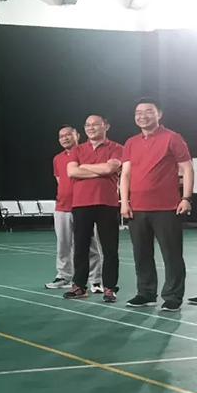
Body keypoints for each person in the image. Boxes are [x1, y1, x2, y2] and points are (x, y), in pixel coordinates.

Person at [120, 98, 193, 311]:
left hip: (167, 207)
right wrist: (124, 202)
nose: (142, 116)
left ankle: (173, 296)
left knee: (171, 254)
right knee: (141, 254)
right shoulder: (131, 142)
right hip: (137, 208)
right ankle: (146, 293)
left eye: (148, 111)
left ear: (158, 114)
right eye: (138, 112)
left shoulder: (172, 138)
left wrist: (186, 198)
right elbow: (126, 174)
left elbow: (187, 168)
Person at [64, 114, 124, 303]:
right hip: (81, 204)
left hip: (107, 203)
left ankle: (109, 288)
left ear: (106, 126)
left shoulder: (117, 148)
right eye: (87, 125)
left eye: (95, 124)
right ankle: (79, 286)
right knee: (80, 248)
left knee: (110, 249)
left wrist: (85, 167)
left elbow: (110, 169)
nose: (90, 128)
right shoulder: (77, 149)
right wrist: (101, 170)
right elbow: (72, 171)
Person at [46, 125, 103, 293]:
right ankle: (64, 276)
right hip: (62, 207)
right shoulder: (57, 159)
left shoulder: (86, 153)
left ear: (77, 135)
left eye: (68, 135)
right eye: (61, 136)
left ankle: (95, 280)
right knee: (63, 244)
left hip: (83, 206)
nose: (64, 138)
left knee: (89, 245)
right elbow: (60, 181)